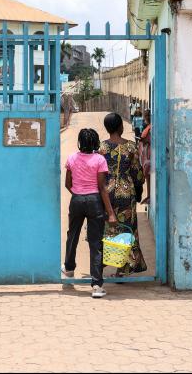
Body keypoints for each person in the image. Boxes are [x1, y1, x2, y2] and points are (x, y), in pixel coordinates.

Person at [62, 128, 117, 298]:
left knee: (73, 235)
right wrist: (111, 213)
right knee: (95, 242)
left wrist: (79, 195)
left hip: (77, 200)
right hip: (94, 201)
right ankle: (97, 286)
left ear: (80, 142)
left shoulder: (71, 158)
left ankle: (69, 269)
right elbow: (102, 188)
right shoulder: (99, 160)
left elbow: (67, 184)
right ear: (95, 142)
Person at [98, 113, 147, 276]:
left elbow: (98, 173)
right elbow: (137, 173)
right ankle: (123, 269)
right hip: (127, 193)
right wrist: (138, 192)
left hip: (107, 193)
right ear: (121, 126)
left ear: (106, 128)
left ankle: (103, 262)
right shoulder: (132, 146)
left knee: (108, 229)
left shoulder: (102, 147)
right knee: (128, 230)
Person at [139, 109, 152, 204]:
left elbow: (143, 139)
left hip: (148, 156)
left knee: (148, 177)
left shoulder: (149, 129)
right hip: (148, 156)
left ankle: (149, 196)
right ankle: (149, 196)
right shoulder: (149, 128)